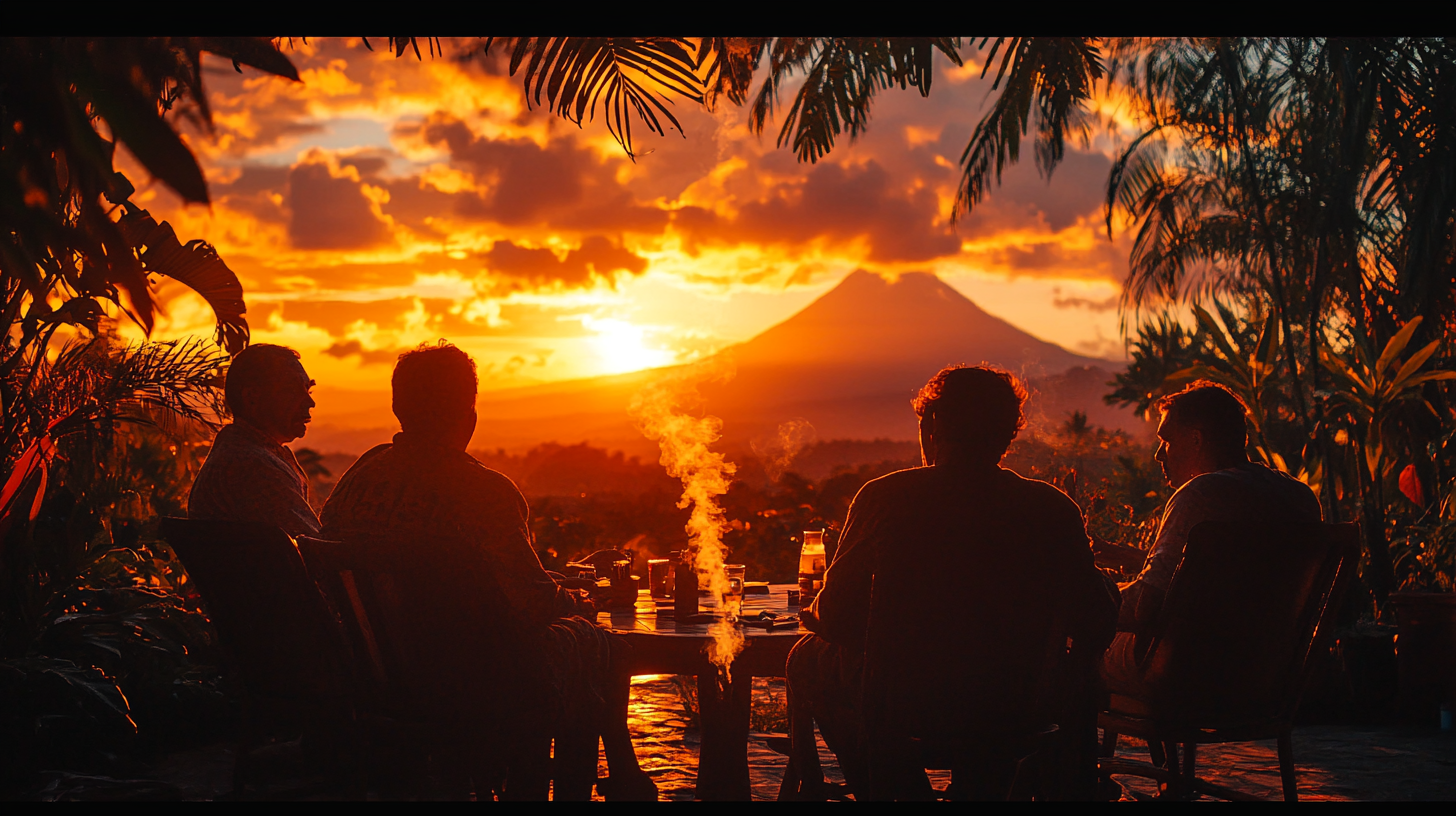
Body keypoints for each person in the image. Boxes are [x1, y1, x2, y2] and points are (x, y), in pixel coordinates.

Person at [319, 341, 653, 801]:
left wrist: (554, 582)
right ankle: (588, 784)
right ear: (468, 416)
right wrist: (579, 599)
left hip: (376, 678)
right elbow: (531, 605)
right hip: (477, 681)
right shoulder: (485, 492)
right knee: (595, 641)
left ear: (398, 408)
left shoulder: (361, 476)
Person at [787, 364, 1119, 800]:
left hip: (904, 701)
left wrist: (817, 612)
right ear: (1007, 434)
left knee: (805, 660)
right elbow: (1095, 618)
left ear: (933, 425)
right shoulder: (1051, 508)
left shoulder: (887, 498)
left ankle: (894, 788)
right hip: (1015, 705)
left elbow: (837, 617)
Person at [1100, 381, 1321, 697]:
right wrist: (1141, 560)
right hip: (1267, 678)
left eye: (1166, 440)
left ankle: (1055, 744)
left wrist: (1092, 590)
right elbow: (1240, 574)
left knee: (1071, 644)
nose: (1158, 454)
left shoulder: (1198, 495)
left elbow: (1144, 609)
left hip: (1186, 675)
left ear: (1195, 439)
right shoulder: (1299, 496)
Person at [189, 343, 320, 536]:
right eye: (292, 391)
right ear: (251, 398)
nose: (310, 403)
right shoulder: (251, 466)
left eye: (307, 391)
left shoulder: (246, 453)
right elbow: (312, 546)